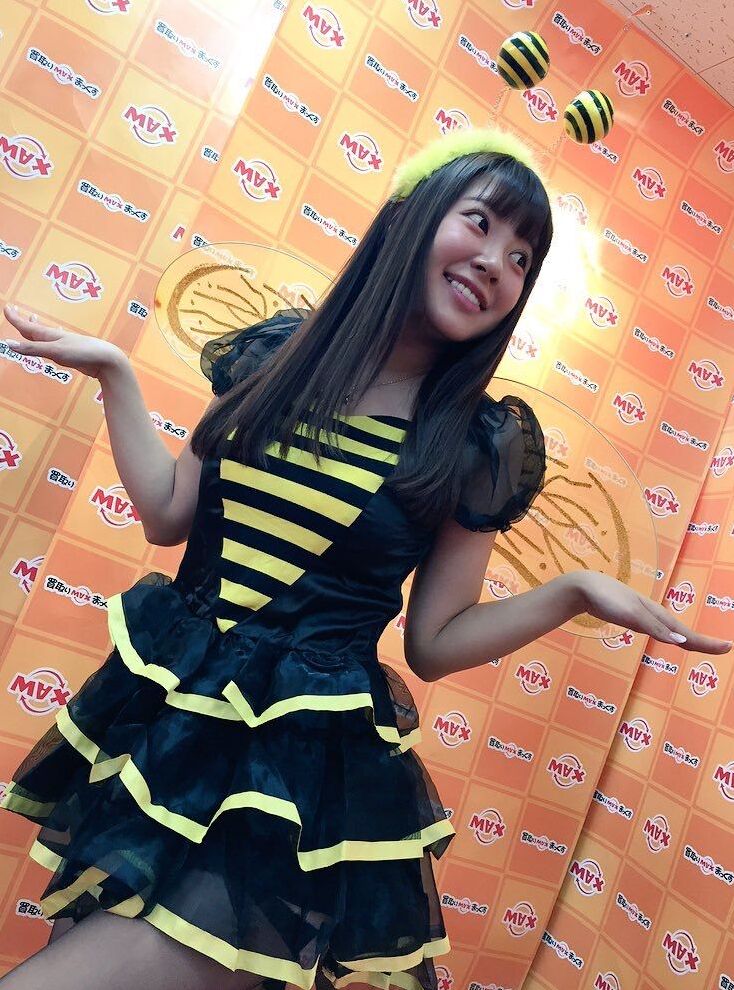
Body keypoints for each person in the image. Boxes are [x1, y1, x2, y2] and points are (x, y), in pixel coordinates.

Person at [0, 127, 729, 990]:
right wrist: (117, 375)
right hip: (167, 724)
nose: (497, 262)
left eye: (522, 258)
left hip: (292, 772)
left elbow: (435, 643)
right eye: (480, 222)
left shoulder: (475, 445)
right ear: (413, 215)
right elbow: (167, 512)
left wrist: (571, 592)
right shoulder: (276, 355)